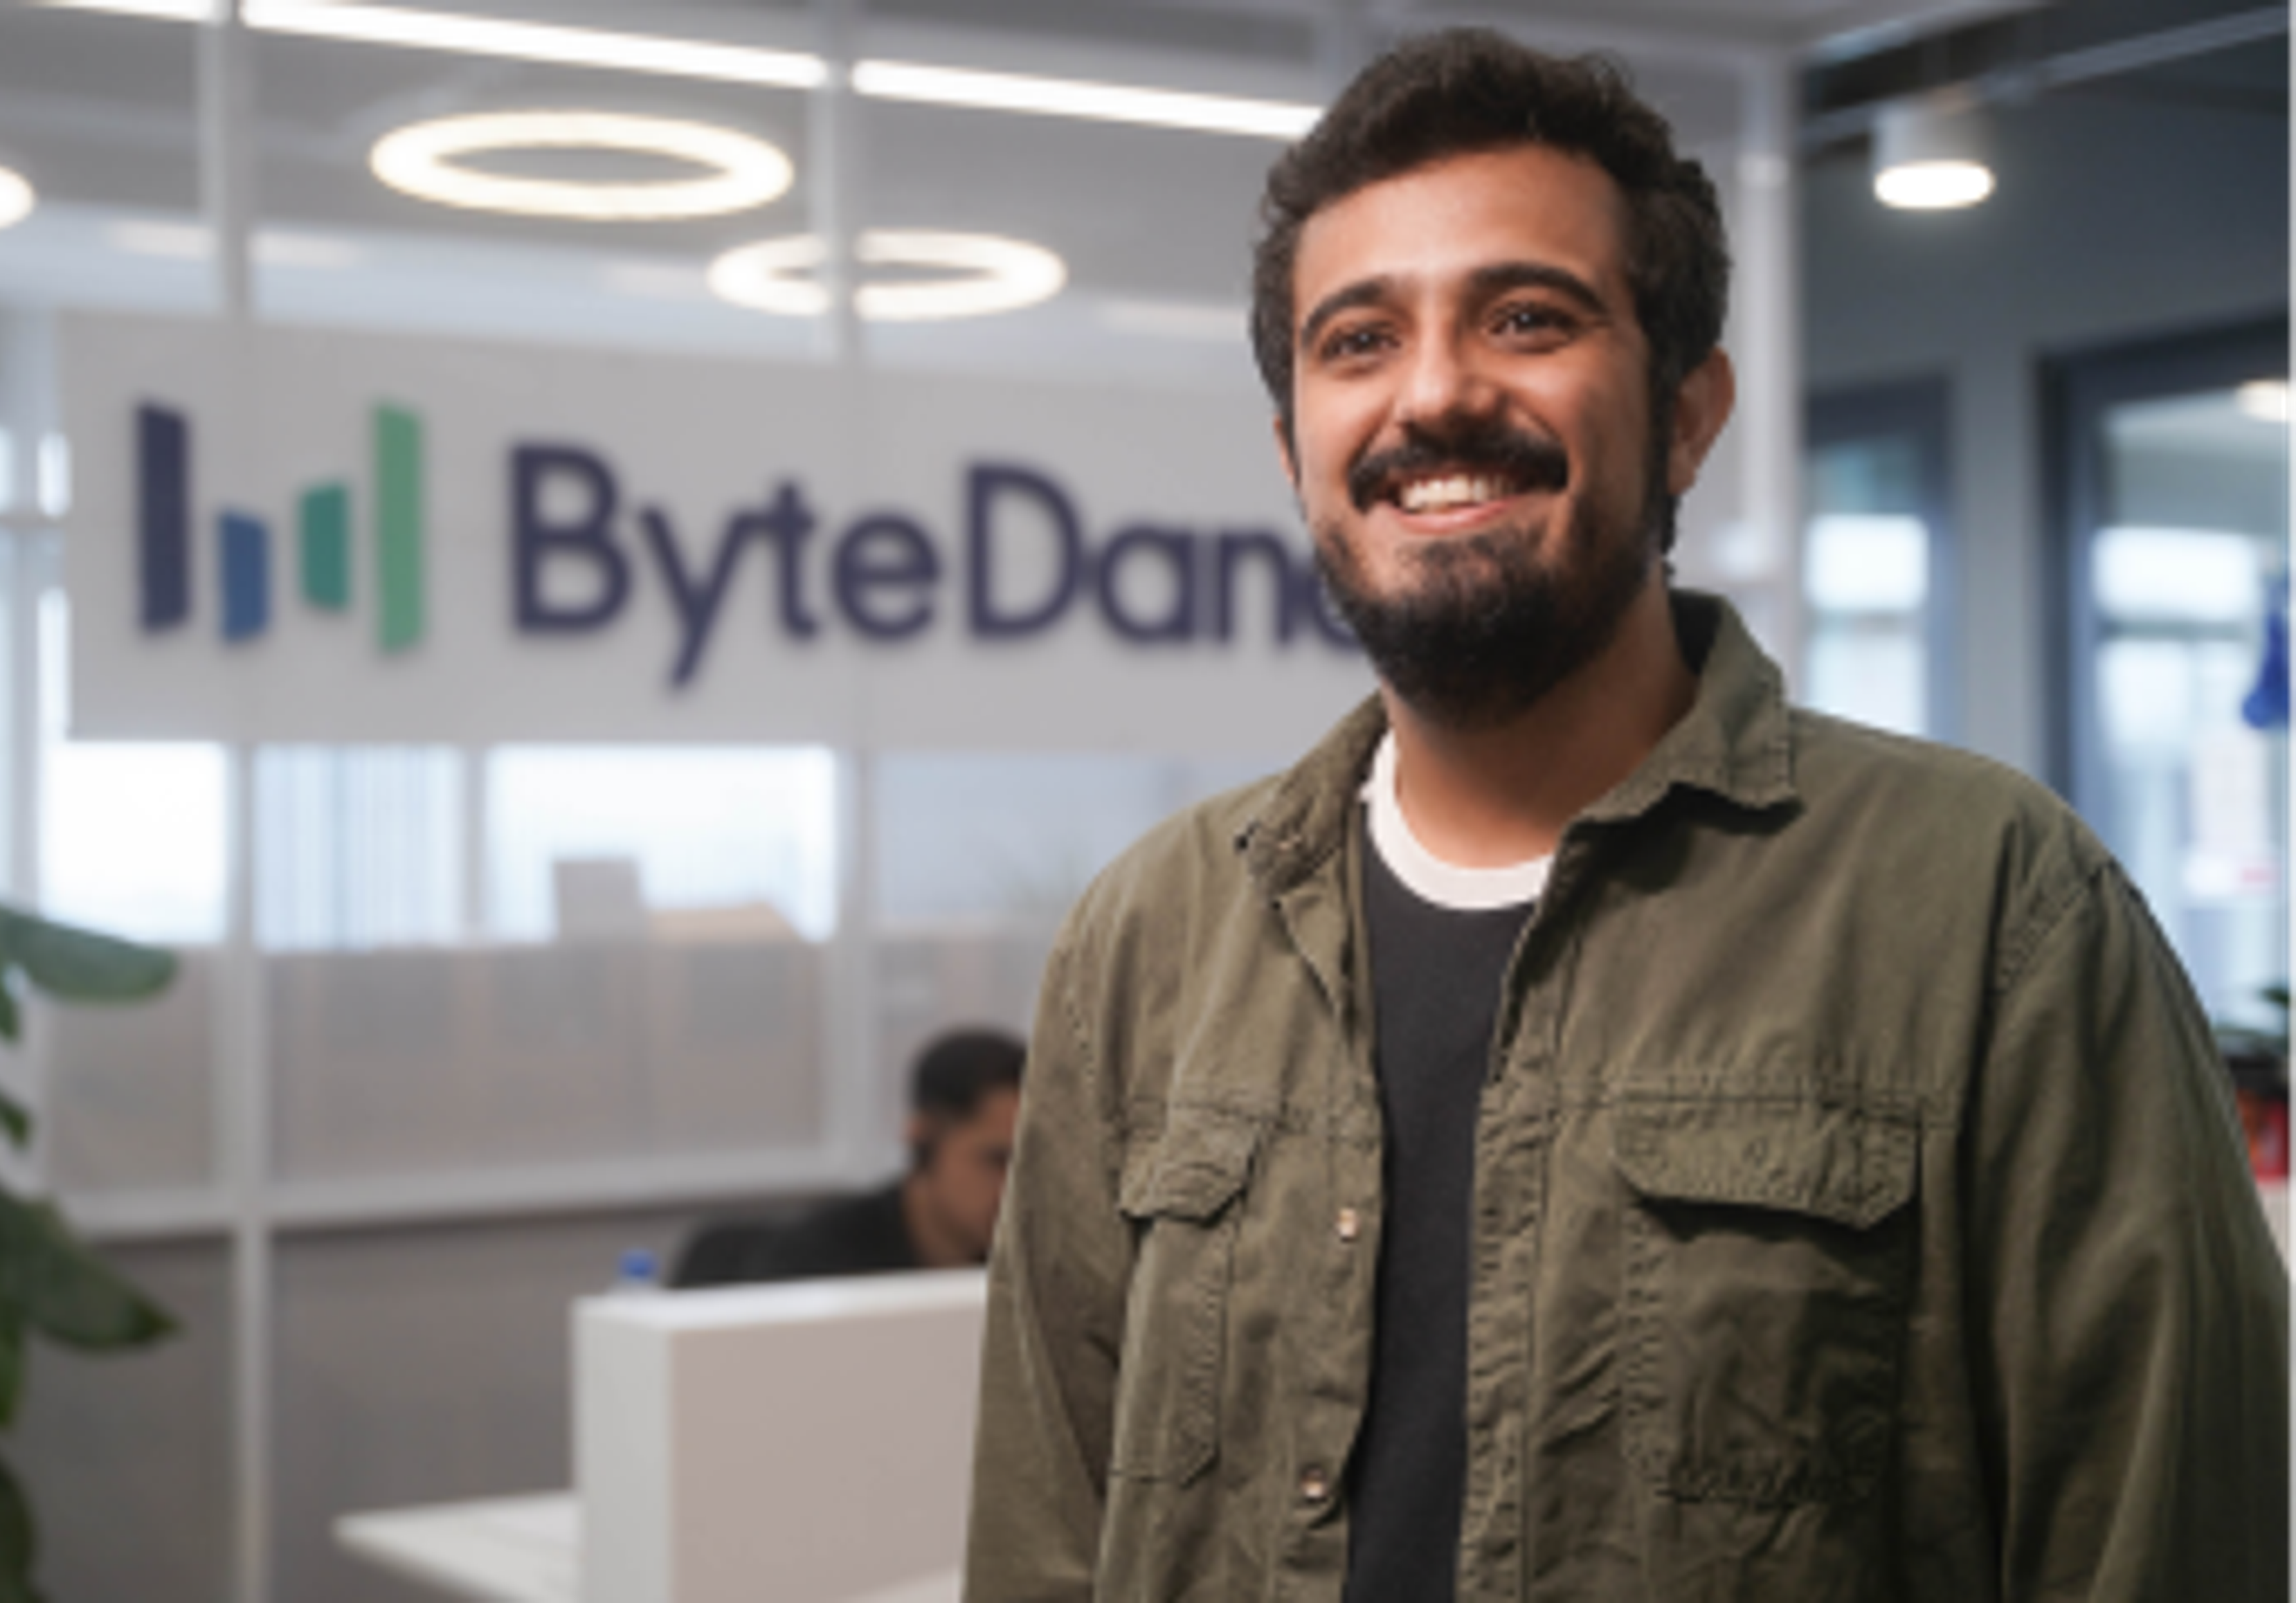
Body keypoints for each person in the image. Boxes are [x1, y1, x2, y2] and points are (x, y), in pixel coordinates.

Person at [964, 28, 2296, 1603]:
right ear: (1295, 453)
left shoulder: (1994, 911)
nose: (1437, 391)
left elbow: (2177, 1543)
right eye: (1356, 339)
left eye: (1525, 316)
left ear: (1682, 411)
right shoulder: (1150, 939)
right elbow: (1045, 1546)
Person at [739, 1026, 1024, 1280]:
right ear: (924, 1137)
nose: (1018, 1192)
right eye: (998, 1161)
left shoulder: (1039, 1264)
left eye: (1032, 1169)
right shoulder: (812, 1267)